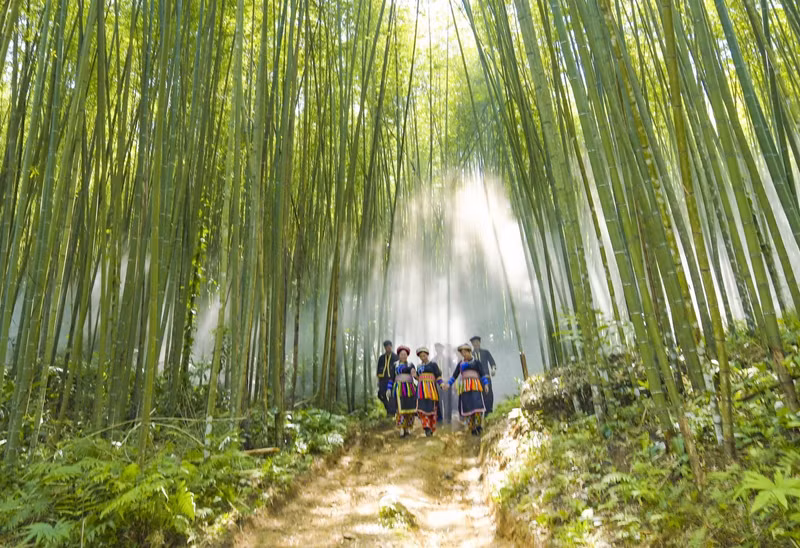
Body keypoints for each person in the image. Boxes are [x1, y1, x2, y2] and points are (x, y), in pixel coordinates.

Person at [443, 343, 490, 436]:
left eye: (465, 352)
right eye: (462, 353)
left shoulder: (476, 363)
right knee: (468, 407)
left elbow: (482, 374)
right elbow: (455, 375)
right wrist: (448, 384)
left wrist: (486, 384)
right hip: (465, 388)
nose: (464, 354)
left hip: (475, 386)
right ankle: (472, 427)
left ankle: (478, 425)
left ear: (469, 352)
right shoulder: (460, 364)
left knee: (477, 406)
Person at [386, 345, 417, 437]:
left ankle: (408, 427)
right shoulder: (395, 365)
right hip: (398, 388)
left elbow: (414, 375)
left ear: (407, 355)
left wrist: (415, 374)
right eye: (401, 354)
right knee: (399, 409)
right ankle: (401, 428)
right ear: (399, 355)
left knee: (410, 409)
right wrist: (389, 388)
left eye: (405, 354)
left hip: (410, 389)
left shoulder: (411, 364)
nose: (403, 356)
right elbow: (391, 378)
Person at [415, 347, 443, 437]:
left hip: (431, 389)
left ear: (427, 355)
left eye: (424, 355)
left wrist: (441, 384)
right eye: (421, 356)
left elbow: (438, 376)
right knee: (422, 409)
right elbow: (418, 377)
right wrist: (414, 375)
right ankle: (426, 428)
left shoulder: (433, 365)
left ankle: (431, 427)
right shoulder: (418, 366)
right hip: (421, 390)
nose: (423, 357)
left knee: (432, 408)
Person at [470, 335, 496, 415]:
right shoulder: (471, 355)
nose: (476, 344)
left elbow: (492, 362)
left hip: (486, 376)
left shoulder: (485, 352)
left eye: (477, 342)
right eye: (474, 343)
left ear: (480, 343)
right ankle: (480, 412)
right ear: (472, 344)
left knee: (488, 394)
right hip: (475, 379)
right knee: (477, 396)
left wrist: (493, 369)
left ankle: (489, 411)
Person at [433, 343, 454, 424]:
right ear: (435, 349)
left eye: (440, 348)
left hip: (447, 382)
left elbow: (453, 370)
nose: (438, 350)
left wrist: (451, 381)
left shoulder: (448, 359)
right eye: (437, 348)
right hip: (437, 383)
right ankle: (439, 419)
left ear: (443, 349)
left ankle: (448, 419)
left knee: (447, 400)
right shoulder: (433, 360)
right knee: (438, 400)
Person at [376, 340, 398, 417]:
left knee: (391, 395)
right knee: (381, 394)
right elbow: (379, 369)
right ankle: (388, 409)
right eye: (386, 347)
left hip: (392, 379)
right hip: (383, 380)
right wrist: (378, 381)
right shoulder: (381, 358)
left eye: (389, 346)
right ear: (385, 348)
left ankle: (392, 413)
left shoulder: (396, 357)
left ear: (391, 347)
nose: (388, 348)